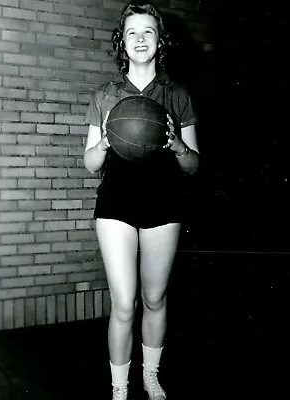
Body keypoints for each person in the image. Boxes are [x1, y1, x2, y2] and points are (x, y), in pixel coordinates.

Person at [83, 1, 200, 399]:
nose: (139, 38)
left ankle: (151, 375)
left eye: (147, 31)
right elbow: (90, 163)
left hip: (164, 203)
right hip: (115, 204)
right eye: (131, 31)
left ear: (159, 40)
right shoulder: (104, 95)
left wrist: (178, 145)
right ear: (122, 41)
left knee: (154, 298)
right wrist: (104, 140)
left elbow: (193, 165)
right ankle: (119, 388)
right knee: (124, 304)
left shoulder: (177, 95)